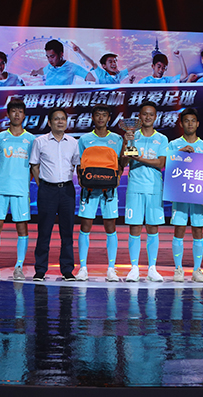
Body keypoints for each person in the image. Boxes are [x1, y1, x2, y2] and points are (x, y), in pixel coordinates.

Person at [30, 107, 81, 281]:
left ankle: (67, 270)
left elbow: (75, 165)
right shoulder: (40, 142)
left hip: (67, 190)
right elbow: (34, 165)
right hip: (47, 190)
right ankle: (40, 270)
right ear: (49, 122)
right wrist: (43, 185)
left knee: (67, 232)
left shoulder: (73, 142)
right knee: (44, 231)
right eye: (56, 119)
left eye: (63, 119)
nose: (60, 122)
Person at [0, 99, 35, 281]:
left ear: (24, 115)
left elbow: (34, 165)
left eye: (20, 111)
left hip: (21, 190)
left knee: (22, 228)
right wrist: (1, 179)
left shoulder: (31, 139)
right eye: (13, 111)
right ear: (7, 114)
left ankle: (19, 267)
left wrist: (24, 181)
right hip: (1, 189)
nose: (16, 114)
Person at [76, 104, 125, 281]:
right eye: (98, 114)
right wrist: (81, 180)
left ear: (109, 118)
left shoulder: (117, 139)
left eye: (104, 115)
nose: (101, 118)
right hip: (89, 190)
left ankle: (111, 269)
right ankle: (83, 268)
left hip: (109, 190)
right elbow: (79, 163)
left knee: (110, 227)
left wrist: (118, 176)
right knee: (85, 226)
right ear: (93, 117)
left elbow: (122, 162)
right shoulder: (84, 139)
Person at [123, 101, 168, 282]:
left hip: (154, 188)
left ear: (155, 117)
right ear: (139, 117)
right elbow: (124, 162)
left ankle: (152, 268)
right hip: (135, 187)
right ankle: (134, 268)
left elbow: (161, 163)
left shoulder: (162, 139)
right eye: (144, 114)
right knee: (134, 227)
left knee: (152, 227)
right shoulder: (132, 136)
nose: (148, 117)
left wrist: (139, 158)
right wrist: (126, 142)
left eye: (151, 114)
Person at [167, 108, 203, 283]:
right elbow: (167, 166)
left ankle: (197, 270)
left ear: (198, 124)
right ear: (181, 123)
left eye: (193, 120)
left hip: (198, 194)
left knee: (198, 230)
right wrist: (179, 153)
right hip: (180, 193)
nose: (190, 124)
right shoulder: (173, 144)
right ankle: (178, 269)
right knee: (179, 229)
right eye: (186, 121)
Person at [30, 39, 95, 85]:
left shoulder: (72, 67)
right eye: (48, 57)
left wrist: (80, 52)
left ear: (61, 54)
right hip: (47, 98)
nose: (50, 60)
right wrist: (36, 72)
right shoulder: (50, 66)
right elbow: (42, 71)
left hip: (64, 99)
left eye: (52, 56)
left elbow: (92, 77)